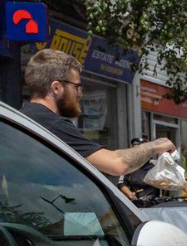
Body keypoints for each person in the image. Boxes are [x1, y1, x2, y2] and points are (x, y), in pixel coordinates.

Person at [21, 49, 176, 176]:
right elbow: (117, 164)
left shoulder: (24, 118)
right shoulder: (52, 125)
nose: (80, 93)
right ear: (56, 88)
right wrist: (154, 146)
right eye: (76, 86)